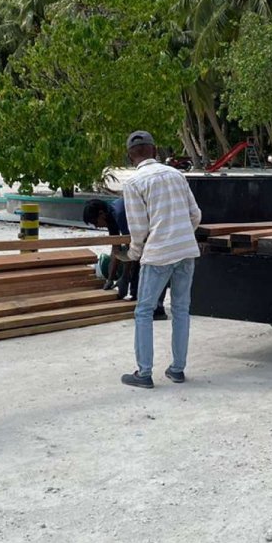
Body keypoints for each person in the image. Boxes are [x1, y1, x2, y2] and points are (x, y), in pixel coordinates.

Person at [121, 131, 202, 389]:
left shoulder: (134, 183)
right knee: (181, 309)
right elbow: (195, 215)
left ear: (130, 157)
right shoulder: (177, 175)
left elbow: (139, 229)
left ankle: (144, 373)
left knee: (144, 311)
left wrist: (133, 255)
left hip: (158, 255)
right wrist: (181, 234)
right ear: (155, 151)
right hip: (186, 250)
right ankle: (177, 369)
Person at [82, 197, 169, 317]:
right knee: (137, 262)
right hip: (142, 235)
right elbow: (116, 248)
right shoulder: (110, 217)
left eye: (95, 222)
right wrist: (110, 279)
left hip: (158, 230)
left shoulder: (120, 214)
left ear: (101, 214)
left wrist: (124, 277)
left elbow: (132, 248)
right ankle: (136, 297)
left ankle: (157, 307)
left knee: (150, 264)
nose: (97, 226)